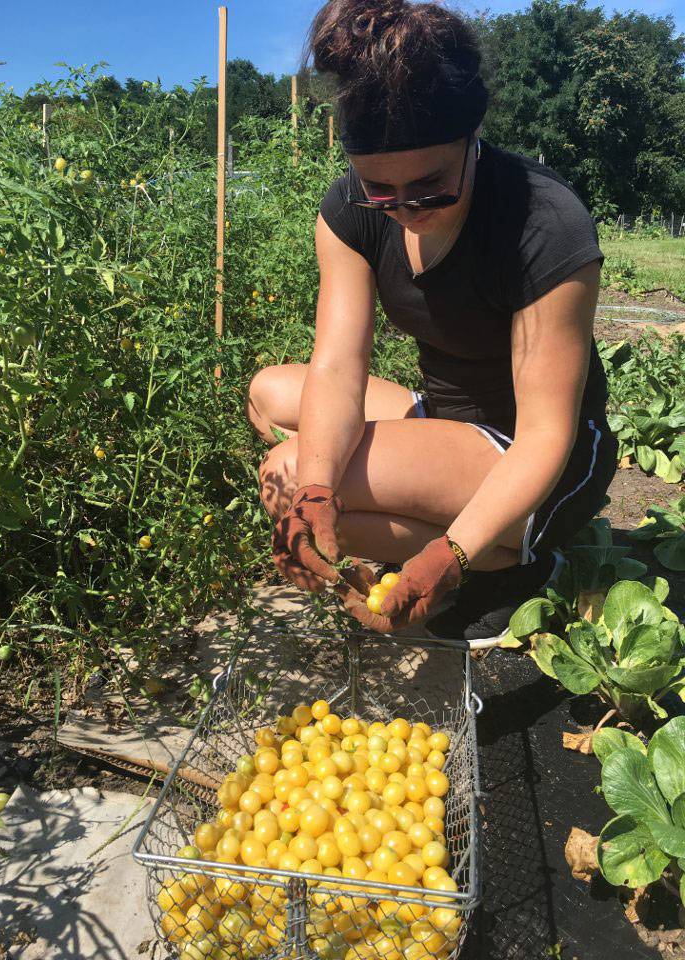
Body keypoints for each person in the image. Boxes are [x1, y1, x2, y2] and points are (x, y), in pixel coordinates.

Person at [246, 0, 618, 644]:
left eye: (430, 185)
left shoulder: (543, 223)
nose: (405, 208)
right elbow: (336, 366)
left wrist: (452, 556)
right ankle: (460, 541)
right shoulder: (348, 214)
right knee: (275, 414)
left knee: (282, 464)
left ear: (474, 137)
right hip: (444, 415)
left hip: (535, 451)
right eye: (380, 189)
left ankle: (502, 564)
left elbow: (544, 435)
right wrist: (314, 495)